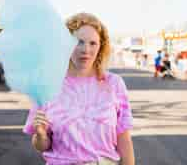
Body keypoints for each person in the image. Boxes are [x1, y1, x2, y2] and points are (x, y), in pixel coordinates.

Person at [23, 13, 135, 165]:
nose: (85, 49)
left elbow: (124, 139)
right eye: (78, 42)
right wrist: (41, 136)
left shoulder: (114, 84)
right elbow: (42, 145)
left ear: (101, 46)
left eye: (93, 43)